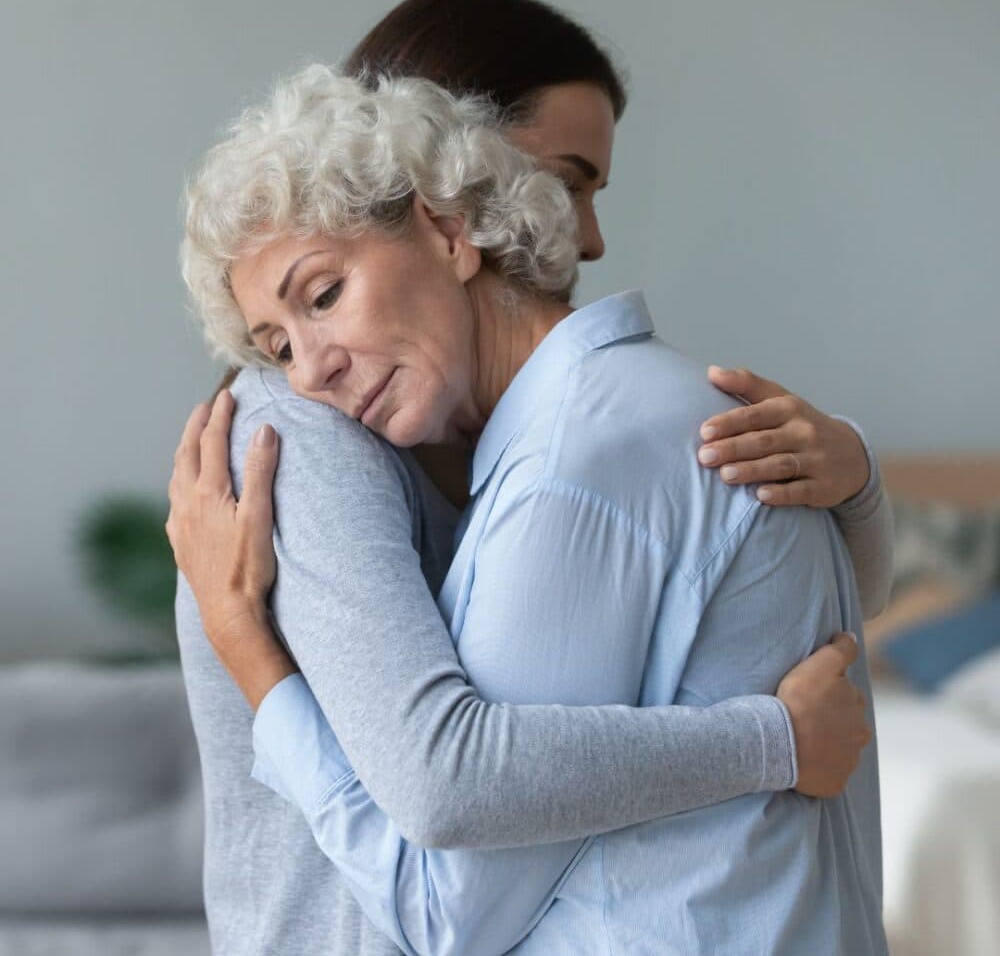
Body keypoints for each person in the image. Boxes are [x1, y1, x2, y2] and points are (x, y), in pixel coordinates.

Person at [170, 65, 886, 954]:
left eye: (323, 296)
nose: (309, 370)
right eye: (277, 346)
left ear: (447, 229)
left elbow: (447, 906)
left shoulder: (572, 463)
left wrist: (247, 644)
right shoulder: (625, 413)